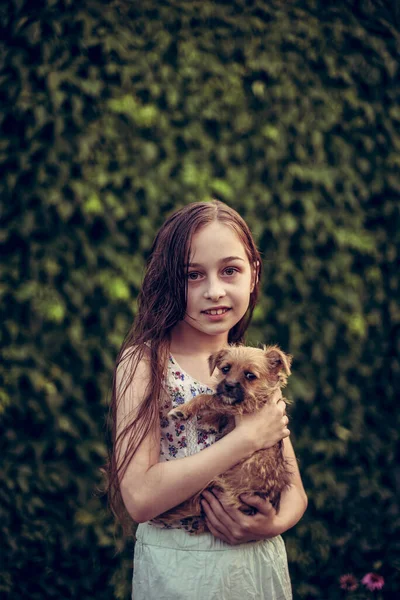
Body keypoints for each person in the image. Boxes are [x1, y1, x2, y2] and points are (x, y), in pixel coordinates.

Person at [106, 200, 307, 600]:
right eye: (193, 275)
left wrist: (273, 524)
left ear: (253, 274)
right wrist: (244, 440)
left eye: (230, 270)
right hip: (179, 567)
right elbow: (141, 500)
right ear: (169, 282)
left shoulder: (257, 371)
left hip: (256, 564)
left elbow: (295, 492)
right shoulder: (145, 361)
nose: (214, 290)